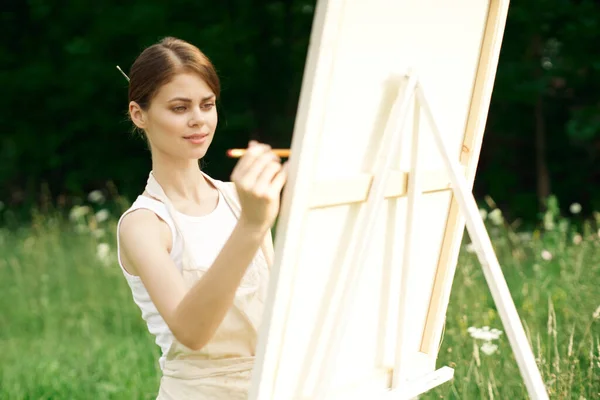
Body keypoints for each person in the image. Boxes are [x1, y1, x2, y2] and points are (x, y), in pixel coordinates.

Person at [115, 36, 288, 399]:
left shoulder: (239, 199)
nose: (199, 120)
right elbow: (192, 331)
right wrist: (253, 226)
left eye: (207, 105)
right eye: (179, 108)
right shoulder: (144, 224)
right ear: (139, 114)